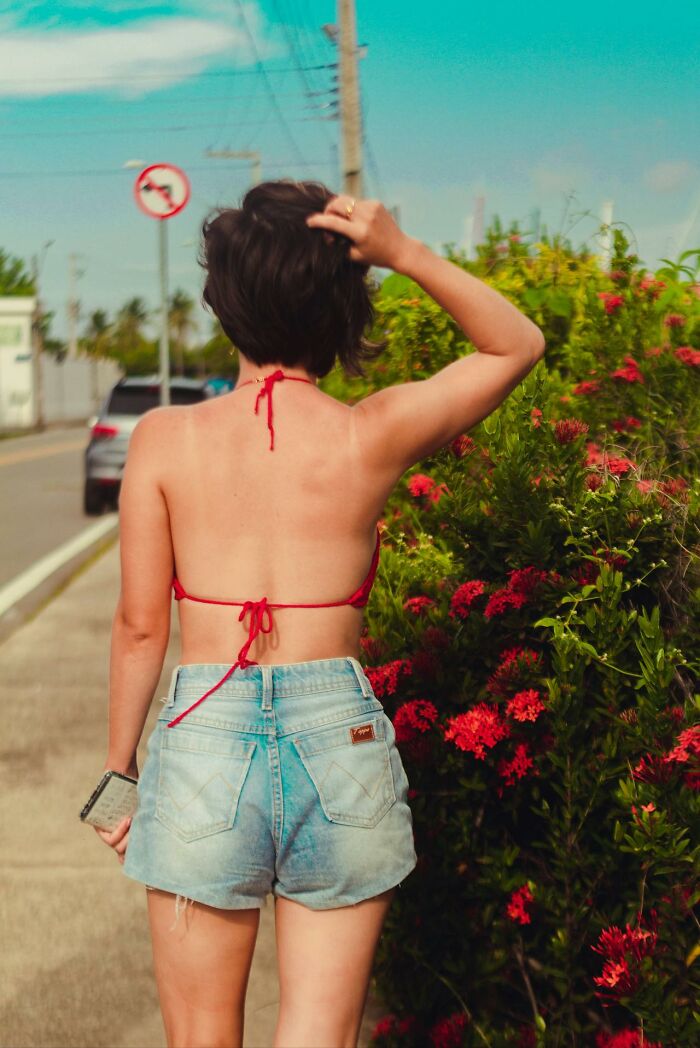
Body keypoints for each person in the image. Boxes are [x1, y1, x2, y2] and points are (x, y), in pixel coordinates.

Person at [93, 180, 545, 1048]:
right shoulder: (365, 432)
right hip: (338, 740)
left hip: (202, 735)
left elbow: (140, 627)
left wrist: (120, 779)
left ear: (223, 304)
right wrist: (404, 253)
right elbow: (516, 344)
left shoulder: (162, 440)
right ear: (341, 305)